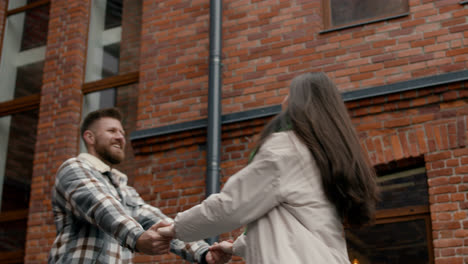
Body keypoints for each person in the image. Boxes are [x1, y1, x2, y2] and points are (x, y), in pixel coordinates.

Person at [158, 72, 380, 263]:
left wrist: (175, 229)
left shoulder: (288, 149)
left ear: (300, 103)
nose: (283, 100)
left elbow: (231, 205)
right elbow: (294, 223)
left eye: (290, 94)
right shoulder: (324, 157)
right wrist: (234, 247)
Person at [48, 108, 231, 264]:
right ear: (90, 137)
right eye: (112, 131)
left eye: (122, 133)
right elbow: (101, 206)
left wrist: (203, 252)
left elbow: (156, 220)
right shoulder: (73, 168)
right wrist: (138, 237)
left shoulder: (124, 188)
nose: (120, 137)